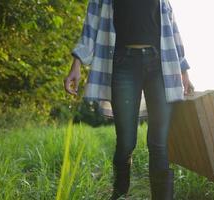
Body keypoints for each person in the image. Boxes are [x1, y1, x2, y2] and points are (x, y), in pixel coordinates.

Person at [64, 0, 194, 199]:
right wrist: (76, 65)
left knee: (159, 143)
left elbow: (171, 28)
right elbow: (89, 27)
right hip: (124, 64)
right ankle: (120, 192)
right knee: (126, 143)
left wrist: (184, 71)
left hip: (159, 65)